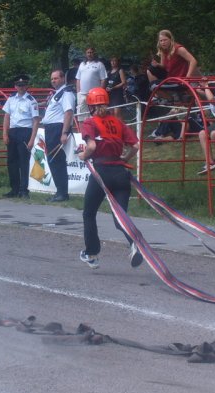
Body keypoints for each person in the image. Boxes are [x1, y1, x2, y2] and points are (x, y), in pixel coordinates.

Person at [77, 87, 143, 270]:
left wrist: (82, 156)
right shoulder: (118, 122)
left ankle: (92, 253)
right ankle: (134, 243)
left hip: (102, 172)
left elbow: (90, 146)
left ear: (90, 105)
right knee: (120, 217)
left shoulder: (90, 122)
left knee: (89, 213)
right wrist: (124, 159)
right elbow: (136, 145)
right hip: (121, 173)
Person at [1, 74, 41, 199]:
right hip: (13, 131)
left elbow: (35, 121)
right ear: (15, 86)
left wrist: (32, 139)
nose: (21, 87)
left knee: (24, 162)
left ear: (27, 86)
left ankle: (24, 190)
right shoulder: (11, 99)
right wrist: (5, 133)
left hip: (25, 131)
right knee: (12, 162)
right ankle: (14, 189)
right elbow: (7, 117)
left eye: (23, 85)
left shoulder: (31, 101)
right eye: (19, 85)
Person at [41, 69, 75, 202]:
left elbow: (68, 113)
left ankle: (62, 193)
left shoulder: (66, 93)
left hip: (58, 128)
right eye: (52, 79)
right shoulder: (58, 93)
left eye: (55, 78)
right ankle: (59, 191)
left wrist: (64, 133)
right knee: (53, 161)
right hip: (51, 129)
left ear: (62, 79)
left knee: (56, 160)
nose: (53, 81)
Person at [147, 30, 200, 102]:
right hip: (170, 77)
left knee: (152, 86)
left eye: (165, 40)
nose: (163, 42)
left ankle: (172, 99)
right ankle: (165, 96)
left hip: (179, 80)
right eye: (161, 41)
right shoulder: (163, 51)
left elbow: (193, 60)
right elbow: (163, 66)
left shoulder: (178, 49)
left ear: (170, 39)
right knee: (150, 69)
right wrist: (157, 64)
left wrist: (188, 77)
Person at [75, 47, 107, 121]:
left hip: (95, 95)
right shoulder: (82, 64)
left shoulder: (99, 64)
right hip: (82, 94)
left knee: (96, 115)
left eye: (91, 52)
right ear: (86, 54)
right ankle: (83, 132)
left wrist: (100, 92)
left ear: (94, 53)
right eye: (88, 52)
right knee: (81, 116)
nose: (89, 54)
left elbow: (103, 79)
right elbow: (78, 79)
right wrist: (78, 93)